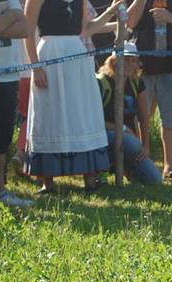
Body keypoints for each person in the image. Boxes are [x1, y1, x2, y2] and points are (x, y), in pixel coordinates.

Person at [23, 0, 123, 194]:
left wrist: (110, 11)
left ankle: (90, 178)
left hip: (76, 56)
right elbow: (27, 32)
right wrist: (35, 67)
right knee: (49, 111)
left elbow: (87, 29)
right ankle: (47, 181)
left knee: (81, 111)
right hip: (49, 56)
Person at [127, 0, 172, 180]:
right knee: (138, 117)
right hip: (140, 66)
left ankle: (171, 167)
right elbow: (129, 23)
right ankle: (137, 164)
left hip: (171, 65)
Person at [96, 42, 163, 184]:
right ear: (114, 61)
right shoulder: (100, 82)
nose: (130, 64)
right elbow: (93, 120)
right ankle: (100, 170)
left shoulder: (136, 83)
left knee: (155, 180)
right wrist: (123, 129)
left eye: (134, 61)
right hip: (103, 137)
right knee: (128, 141)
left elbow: (144, 118)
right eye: (125, 59)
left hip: (130, 140)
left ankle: (127, 170)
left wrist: (145, 146)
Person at [0, 0, 32, 207]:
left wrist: (1, 21)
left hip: (8, 76)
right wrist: (10, 17)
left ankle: (0, 192)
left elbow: (24, 29)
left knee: (1, 138)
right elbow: (15, 24)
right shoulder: (10, 7)